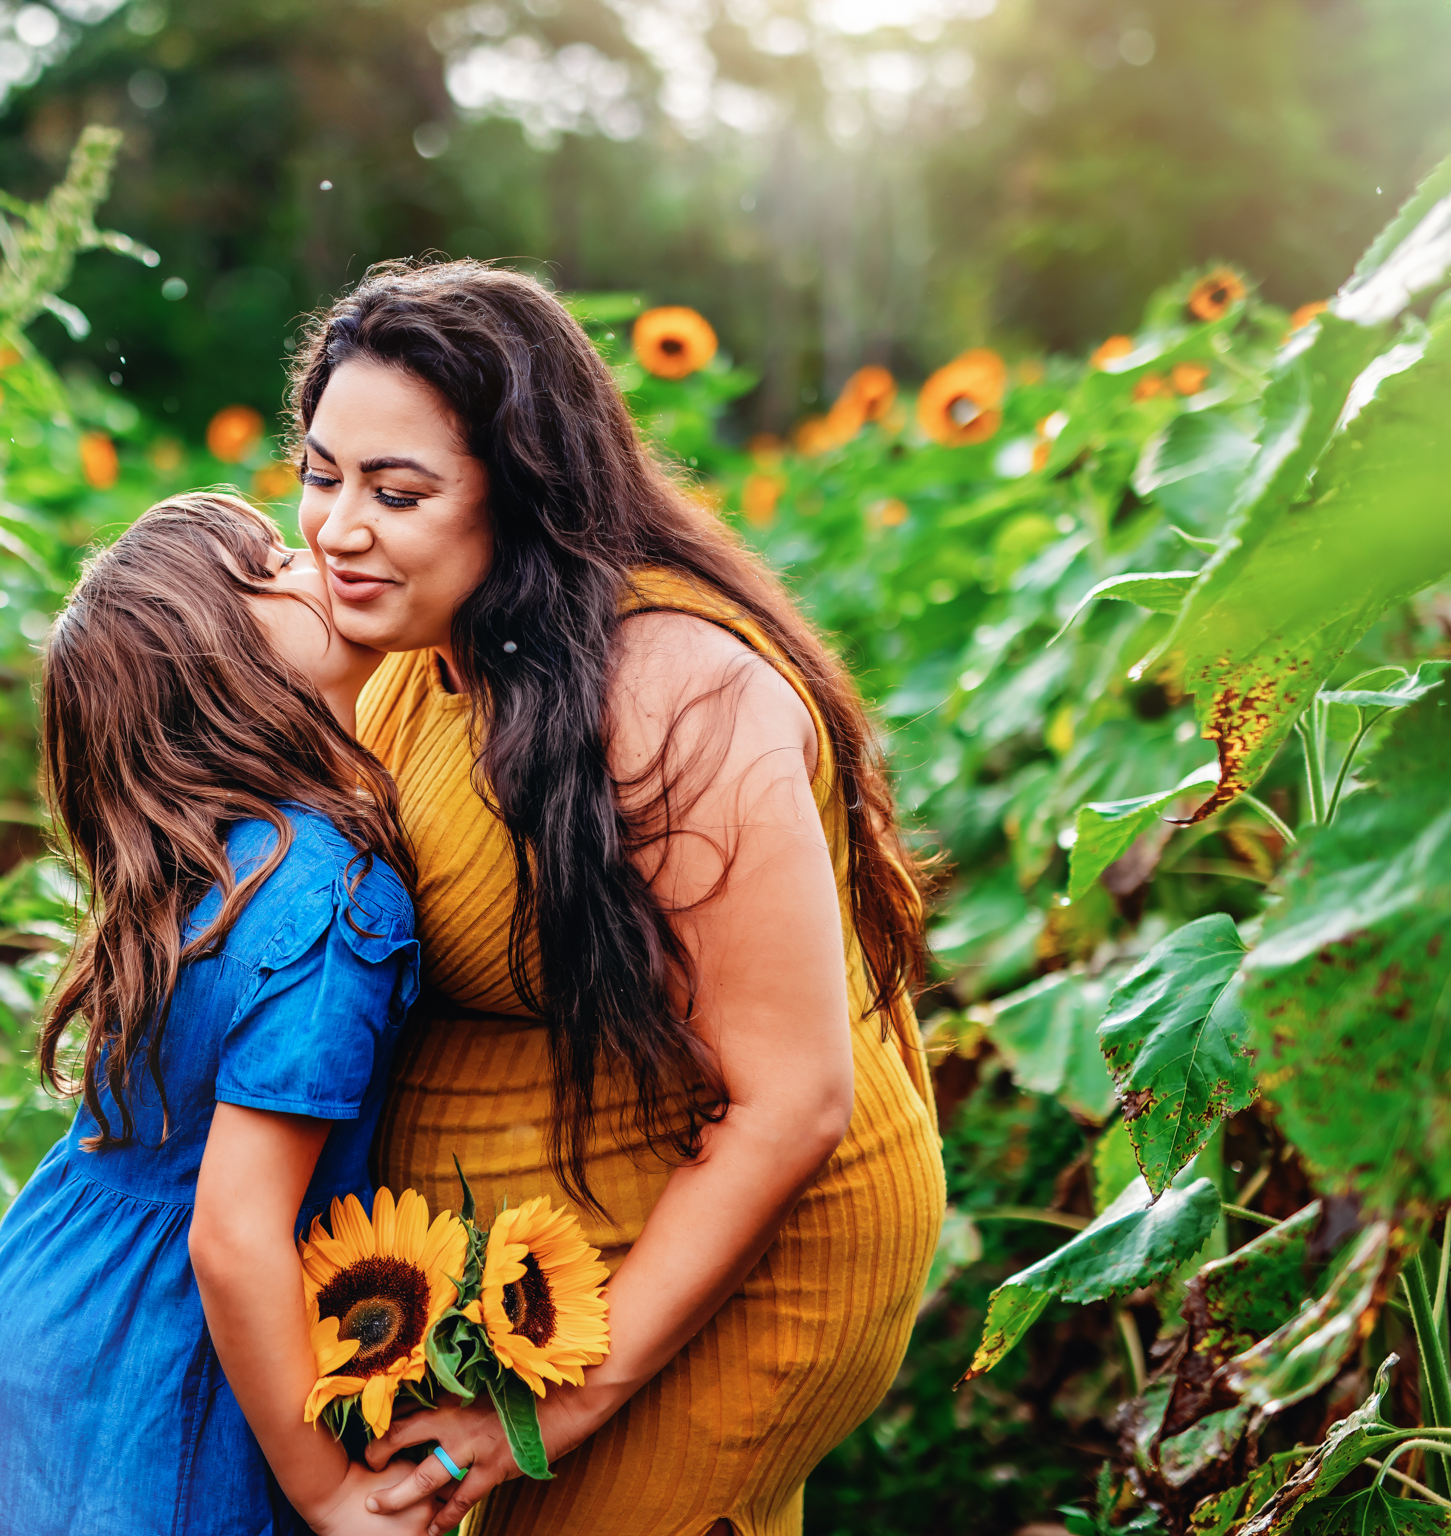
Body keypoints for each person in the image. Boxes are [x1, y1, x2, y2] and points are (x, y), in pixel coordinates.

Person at [289, 262, 948, 1536]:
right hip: (567, 1258)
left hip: (760, 1251)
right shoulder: (421, 648)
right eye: (322, 474)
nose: (336, 529)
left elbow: (792, 1101)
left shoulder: (678, 695)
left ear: (523, 496)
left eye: (398, 492)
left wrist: (546, 1411)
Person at [0, 493, 432, 1536]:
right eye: (267, 563)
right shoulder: (328, 896)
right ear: (218, 670)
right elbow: (232, 1234)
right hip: (176, 1327)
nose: (312, 552)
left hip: (68, 1279)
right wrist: (328, 1494)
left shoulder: (219, 859)